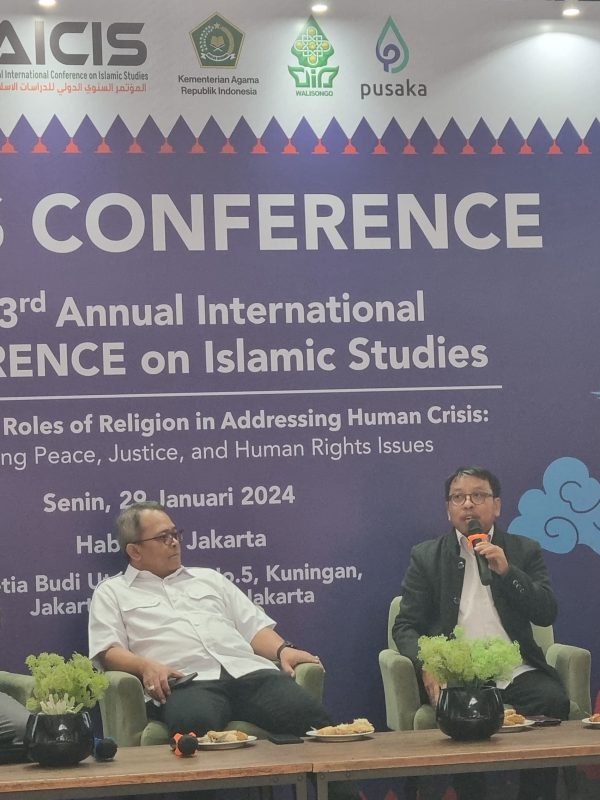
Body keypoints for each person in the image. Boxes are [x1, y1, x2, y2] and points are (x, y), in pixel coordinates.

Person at [89, 500, 359, 800]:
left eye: (176, 534)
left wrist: (283, 649)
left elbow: (253, 627)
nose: (174, 542)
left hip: (249, 674)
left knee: (313, 720)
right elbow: (107, 650)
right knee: (193, 729)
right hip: (188, 683)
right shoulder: (112, 592)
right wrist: (145, 666)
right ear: (134, 551)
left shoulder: (209, 579)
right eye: (163, 537)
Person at [393, 466, 570, 800]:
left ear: (497, 505)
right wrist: (426, 664)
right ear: (448, 509)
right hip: (459, 676)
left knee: (552, 699)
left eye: (478, 496)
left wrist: (508, 571)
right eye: (458, 497)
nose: (468, 504)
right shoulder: (427, 556)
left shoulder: (523, 550)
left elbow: (546, 612)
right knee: (465, 714)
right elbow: (405, 625)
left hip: (515, 669)